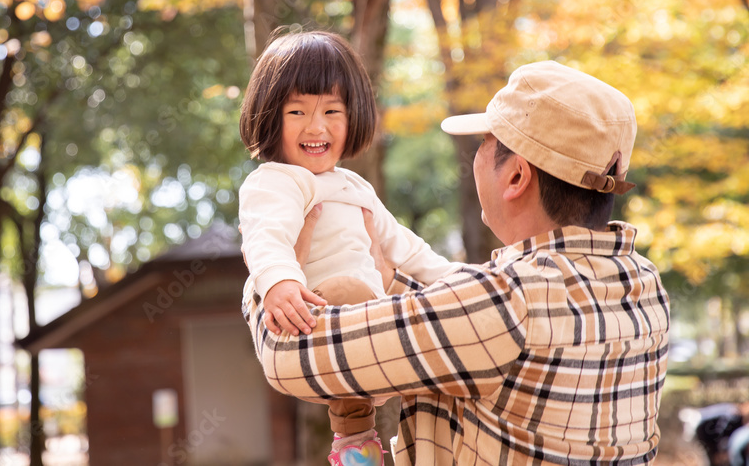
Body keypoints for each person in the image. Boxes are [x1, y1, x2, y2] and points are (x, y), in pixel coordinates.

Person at [244, 60, 672, 465]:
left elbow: (288, 358)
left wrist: (271, 280)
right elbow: (452, 315)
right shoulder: (644, 287)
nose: (477, 157)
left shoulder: (507, 300)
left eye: (485, 143)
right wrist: (386, 276)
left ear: (516, 176)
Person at [239, 30, 463, 465]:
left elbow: (404, 245)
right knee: (347, 290)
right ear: (270, 118)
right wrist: (279, 283)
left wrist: (455, 278)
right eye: (297, 111)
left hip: (372, 320)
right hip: (316, 317)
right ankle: (354, 435)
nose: (316, 126)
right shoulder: (274, 182)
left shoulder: (355, 186)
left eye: (332, 111)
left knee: (420, 318)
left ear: (353, 116)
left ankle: (366, 444)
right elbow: (267, 237)